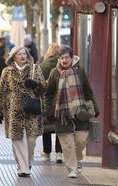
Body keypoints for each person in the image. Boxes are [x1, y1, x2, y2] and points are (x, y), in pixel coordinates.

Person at [44, 45, 99, 178]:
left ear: (71, 58)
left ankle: (78, 159)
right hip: (61, 114)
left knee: (80, 140)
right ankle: (72, 168)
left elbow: (88, 91)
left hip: (80, 111)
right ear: (59, 59)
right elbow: (48, 94)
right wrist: (49, 112)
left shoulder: (80, 71)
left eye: (66, 57)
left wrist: (95, 108)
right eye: (62, 58)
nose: (64, 60)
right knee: (67, 144)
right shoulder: (54, 73)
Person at [0, 46, 46, 177]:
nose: (23, 56)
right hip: (14, 110)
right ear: (13, 57)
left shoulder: (35, 68)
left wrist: (35, 85)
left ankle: (27, 162)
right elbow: (1, 91)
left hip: (32, 110)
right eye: (19, 54)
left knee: (31, 140)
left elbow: (44, 87)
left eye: (24, 54)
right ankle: (23, 168)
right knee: (17, 139)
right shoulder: (7, 71)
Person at [39, 43, 63, 163]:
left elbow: (39, 83)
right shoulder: (63, 65)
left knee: (47, 127)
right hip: (60, 99)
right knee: (59, 126)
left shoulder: (43, 66)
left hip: (46, 99)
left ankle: (47, 152)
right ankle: (59, 153)